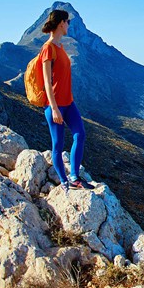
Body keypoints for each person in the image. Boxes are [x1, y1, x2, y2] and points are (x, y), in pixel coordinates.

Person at [40, 10, 94, 191]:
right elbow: (47, 82)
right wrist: (54, 109)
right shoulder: (48, 48)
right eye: (68, 23)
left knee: (80, 134)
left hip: (69, 102)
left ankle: (74, 176)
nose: (69, 26)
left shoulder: (61, 47)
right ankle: (64, 182)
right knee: (58, 144)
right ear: (62, 23)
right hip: (55, 105)